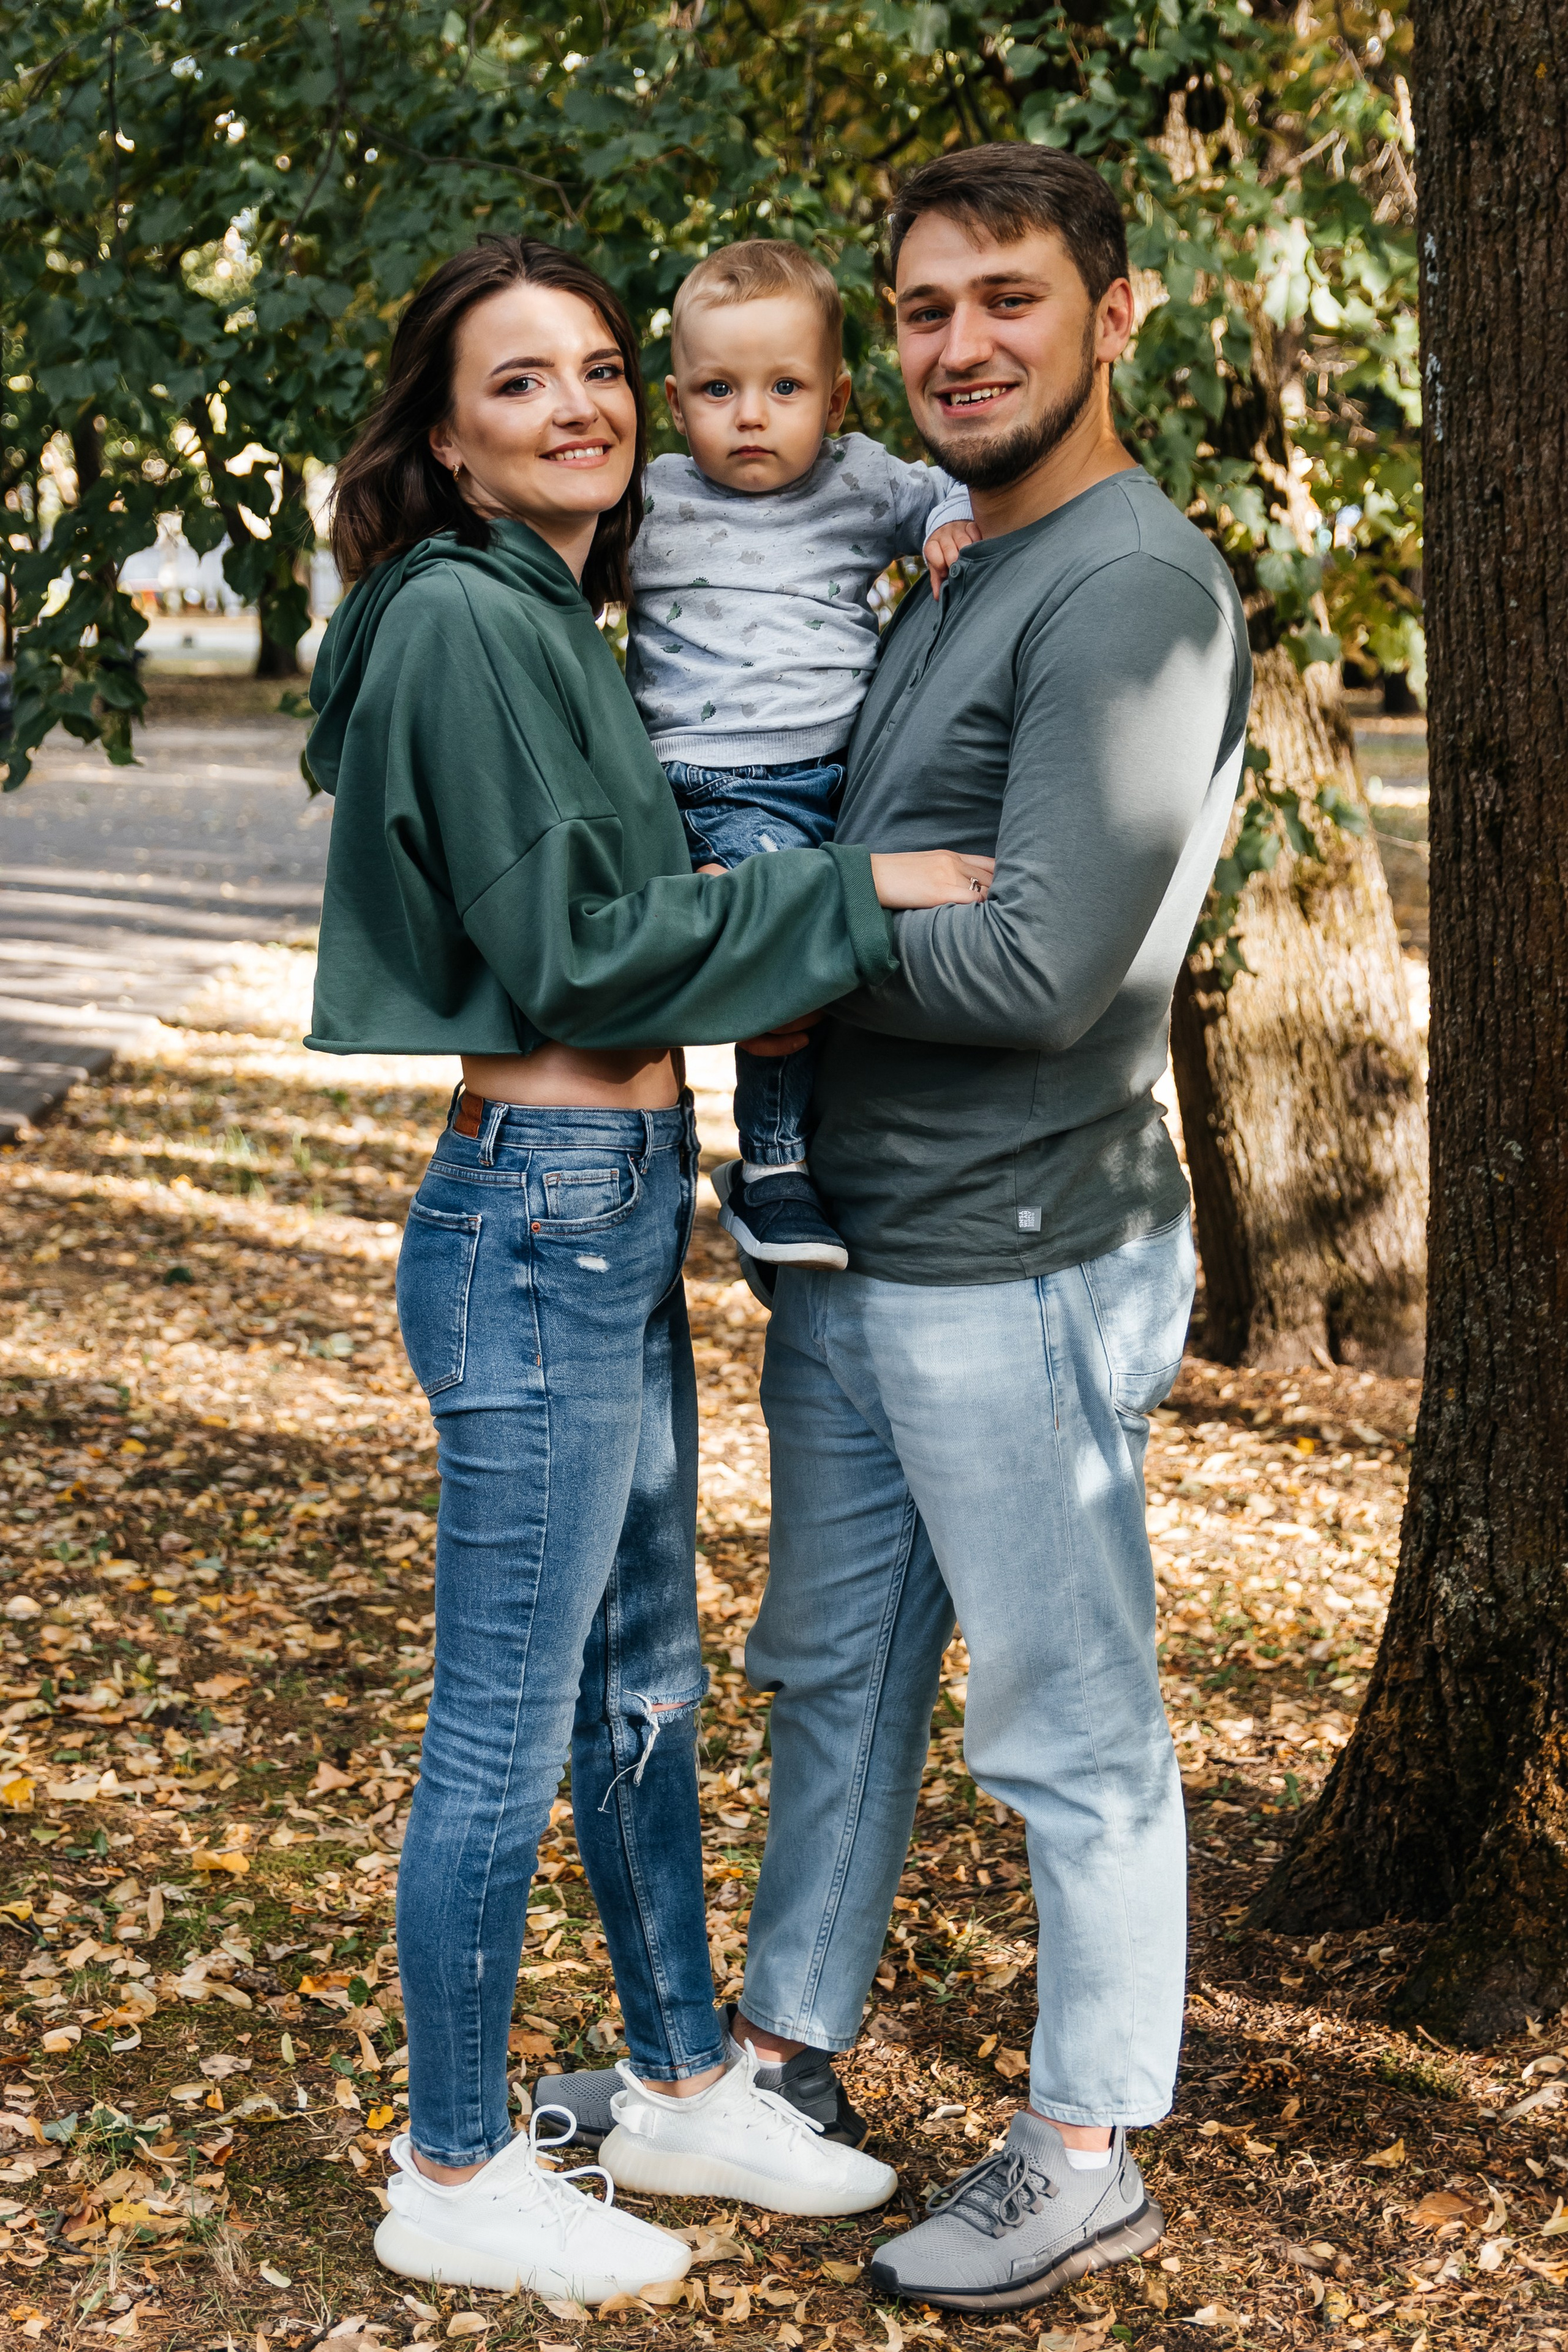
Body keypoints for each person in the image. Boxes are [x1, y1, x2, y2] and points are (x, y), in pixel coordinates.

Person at [304, 232, 992, 2299]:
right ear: (441, 427)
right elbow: (584, 956)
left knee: (637, 1684)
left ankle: (683, 2084)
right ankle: (447, 2168)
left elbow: (637, 900)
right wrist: (845, 899)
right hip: (530, 1212)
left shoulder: (541, 609)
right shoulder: (456, 621)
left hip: (602, 1200)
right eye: (522, 383)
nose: (585, 406)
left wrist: (754, 918)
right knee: (509, 1721)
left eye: (606, 368)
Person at [718, 145, 1253, 2313]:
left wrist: (764, 940)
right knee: (832, 1671)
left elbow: (1039, 972)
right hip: (876, 1237)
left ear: (1115, 316)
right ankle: (777, 2067)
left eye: (1006, 300)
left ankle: (1085, 2136)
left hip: (1018, 1250)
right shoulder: (954, 565)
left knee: (1065, 1714)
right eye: (924, 309)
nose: (958, 344)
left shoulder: (1129, 588)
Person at [626, 239, 979, 1274]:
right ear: (676, 400)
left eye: (784, 387)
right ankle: (772, 1166)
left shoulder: (860, 480)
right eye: (717, 389)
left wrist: (949, 529)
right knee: (780, 939)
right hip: (707, 778)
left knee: (833, 957)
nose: (749, 414)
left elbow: (947, 491)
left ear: (834, 399)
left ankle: (791, 1140)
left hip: (835, 777)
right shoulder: (651, 500)